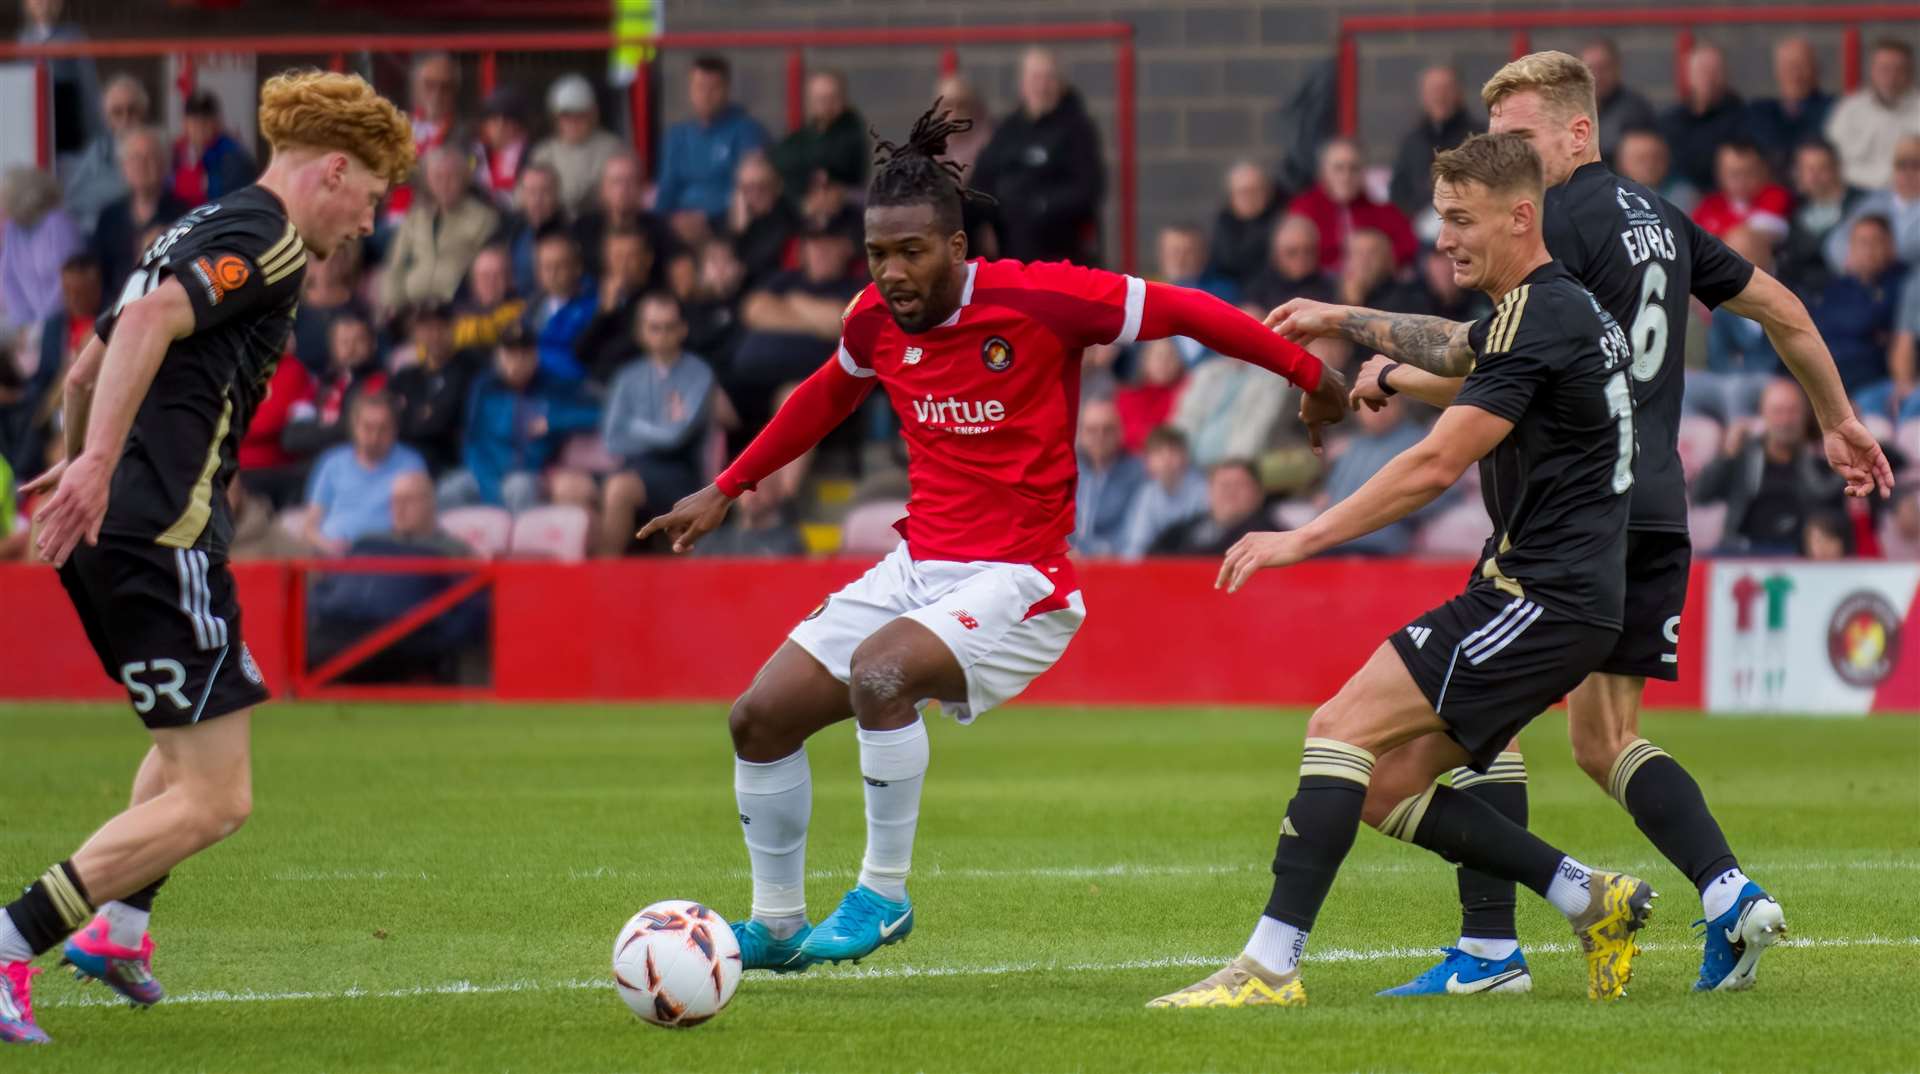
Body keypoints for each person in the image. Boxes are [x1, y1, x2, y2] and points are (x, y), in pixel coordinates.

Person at [636, 102, 1346, 976]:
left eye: (911, 253)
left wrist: (1311, 375)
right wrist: (725, 485)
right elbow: (826, 392)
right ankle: (777, 926)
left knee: (880, 675)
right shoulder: (873, 319)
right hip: (918, 566)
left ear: (958, 248)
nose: (891, 274)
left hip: (1022, 578)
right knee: (757, 719)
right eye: (877, 255)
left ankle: (883, 896)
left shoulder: (1044, 298)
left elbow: (1193, 311)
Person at [1270, 52, 1888, 997]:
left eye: (1520, 137)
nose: (1504, 157)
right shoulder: (1667, 222)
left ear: (1577, 131)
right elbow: (1786, 312)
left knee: (1477, 718)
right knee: (1600, 740)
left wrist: (1377, 356)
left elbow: (1507, 362)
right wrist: (1838, 417)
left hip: (1567, 509)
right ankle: (1725, 892)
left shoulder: (1555, 228)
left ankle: (1492, 948)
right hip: (1657, 508)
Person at [1156, 132, 1662, 1012]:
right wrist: (1351, 327)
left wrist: (1296, 537)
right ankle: (1590, 897)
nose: (1446, 241)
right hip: (1566, 597)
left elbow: (1434, 467)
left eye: (1463, 221)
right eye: (1440, 220)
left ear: (1520, 216)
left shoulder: (1539, 314)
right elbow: (1457, 348)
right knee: (1384, 786)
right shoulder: (1548, 307)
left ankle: (1269, 968)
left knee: (1339, 728)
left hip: (1539, 596)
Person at [0, 70, 410, 1045]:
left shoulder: (194, 225)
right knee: (218, 796)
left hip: (124, 531)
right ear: (336, 171)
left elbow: (86, 363)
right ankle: (14, 939)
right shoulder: (265, 237)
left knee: (190, 744)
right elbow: (141, 329)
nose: (367, 221)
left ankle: (120, 929)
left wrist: (72, 464)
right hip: (158, 535)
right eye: (372, 197)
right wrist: (94, 465)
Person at [596, 292, 716, 557]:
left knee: (618, 488)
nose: (662, 334)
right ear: (641, 332)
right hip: (635, 467)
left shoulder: (699, 374)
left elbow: (676, 437)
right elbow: (611, 439)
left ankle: (604, 582)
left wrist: (634, 426)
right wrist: (658, 427)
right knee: (579, 491)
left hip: (681, 471)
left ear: (682, 329)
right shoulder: (627, 377)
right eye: (654, 327)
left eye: (669, 327)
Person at [443, 323, 599, 512]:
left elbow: (597, 414)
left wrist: (553, 420)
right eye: (510, 354)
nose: (517, 362)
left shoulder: (553, 386)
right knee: (450, 489)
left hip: (528, 473)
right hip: (486, 474)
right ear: (498, 357)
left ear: (535, 356)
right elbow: (472, 442)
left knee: (519, 487)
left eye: (524, 354)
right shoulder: (484, 387)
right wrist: (491, 489)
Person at [972, 48, 1105, 264]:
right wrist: (987, 219)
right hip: (1007, 235)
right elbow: (982, 178)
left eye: (1049, 78)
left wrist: (1037, 206)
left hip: (1056, 242)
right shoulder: (1007, 129)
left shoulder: (1077, 129)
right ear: (1022, 84)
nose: (1041, 86)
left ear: (1060, 84)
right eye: (1035, 78)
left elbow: (1087, 188)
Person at [1695, 379, 1847, 554]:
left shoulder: (1820, 460)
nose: (1785, 420)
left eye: (1792, 411)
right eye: (1778, 411)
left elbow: (1836, 506)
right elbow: (1700, 494)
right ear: (1763, 415)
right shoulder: (1744, 457)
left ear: (1805, 416)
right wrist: (1727, 454)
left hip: (1799, 553)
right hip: (1744, 551)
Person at [299, 390, 427, 556]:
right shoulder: (331, 463)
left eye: (383, 429)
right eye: (368, 428)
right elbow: (310, 527)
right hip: (332, 559)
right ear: (354, 427)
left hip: (389, 557)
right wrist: (327, 545)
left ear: (395, 429)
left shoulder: (411, 464)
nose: (374, 437)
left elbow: (421, 526)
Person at [655, 55, 771, 238]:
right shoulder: (676, 135)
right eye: (699, 87)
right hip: (679, 225)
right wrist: (670, 219)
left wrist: (707, 218)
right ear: (690, 90)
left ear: (727, 90)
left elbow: (748, 190)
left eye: (713, 88)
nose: (706, 95)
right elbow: (666, 189)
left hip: (725, 225)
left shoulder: (747, 131)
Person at [380, 144, 500, 310]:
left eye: (452, 177)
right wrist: (393, 304)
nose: (445, 184)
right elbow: (395, 265)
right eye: (438, 177)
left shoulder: (483, 219)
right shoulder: (415, 217)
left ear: (464, 179)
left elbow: (483, 273)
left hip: (456, 307)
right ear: (428, 180)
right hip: (412, 307)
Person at [1313, 394, 1431, 556]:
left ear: (1401, 406)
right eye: (1369, 405)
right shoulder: (1353, 447)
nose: (1378, 411)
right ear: (1357, 410)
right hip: (1335, 542)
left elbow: (1438, 493)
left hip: (1383, 546)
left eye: (1386, 404)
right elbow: (1331, 495)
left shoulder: (1420, 442)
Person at [1814, 214, 1907, 415]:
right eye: (1861, 243)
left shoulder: (1903, 283)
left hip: (1878, 384)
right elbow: (1823, 331)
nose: (1868, 250)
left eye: (1875, 242)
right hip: (1831, 386)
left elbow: (1868, 322)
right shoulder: (1836, 288)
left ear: (1890, 247)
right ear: (1850, 250)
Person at [1691, 227, 1785, 422]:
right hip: (1731, 379)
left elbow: (1782, 357)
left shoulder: (1784, 297)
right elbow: (1718, 359)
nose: (1734, 263)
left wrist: (1744, 365)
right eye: (1729, 255)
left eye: (1744, 253)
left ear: (1765, 255)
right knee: (1687, 386)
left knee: (1737, 388)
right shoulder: (1721, 304)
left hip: (1776, 380)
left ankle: (1737, 444)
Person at [1287, 139, 1417, 273]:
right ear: (1323, 172)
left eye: (1353, 168)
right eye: (1339, 168)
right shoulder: (1303, 209)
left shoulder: (1382, 210)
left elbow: (1408, 247)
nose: (1346, 176)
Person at [90, 126, 189, 294]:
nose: (142, 165)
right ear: (124, 167)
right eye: (135, 158)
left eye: (150, 157)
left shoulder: (184, 216)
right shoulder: (108, 218)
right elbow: (98, 281)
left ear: (165, 165)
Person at [389, 302, 482, 474]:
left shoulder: (469, 369)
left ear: (452, 328)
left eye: (440, 327)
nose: (434, 335)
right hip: (408, 464)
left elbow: (443, 421)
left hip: (450, 464)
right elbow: (393, 423)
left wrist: (414, 416)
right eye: (426, 329)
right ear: (416, 333)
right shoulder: (405, 377)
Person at [1389, 66, 1481, 225]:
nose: (1440, 96)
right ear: (1422, 95)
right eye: (1433, 89)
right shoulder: (1411, 141)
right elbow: (1399, 193)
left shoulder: (1479, 138)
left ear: (1459, 93)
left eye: (1446, 89)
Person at [61, 74, 150, 237]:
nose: (125, 119)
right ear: (107, 118)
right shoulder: (97, 152)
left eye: (132, 110)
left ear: (143, 113)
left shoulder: (158, 148)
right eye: (117, 112)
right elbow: (73, 203)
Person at [1826, 39, 1920, 191]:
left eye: (1899, 70)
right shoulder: (1849, 109)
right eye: (1884, 69)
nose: (1891, 77)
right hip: (1853, 192)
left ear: (1911, 73)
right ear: (1872, 71)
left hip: (1910, 194)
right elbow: (1830, 159)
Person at [529, 74, 625, 217]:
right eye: (566, 115)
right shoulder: (543, 152)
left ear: (593, 114)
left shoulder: (613, 148)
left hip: (600, 224)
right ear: (555, 118)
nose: (573, 121)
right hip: (554, 226)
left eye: (580, 114)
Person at [1, 167, 82, 335]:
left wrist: (44, 323)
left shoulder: (58, 223)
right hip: (32, 324)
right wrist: (23, 323)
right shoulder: (13, 229)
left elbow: (69, 278)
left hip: (64, 320)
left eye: (5, 200)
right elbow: (8, 279)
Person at [1781, 139, 1866, 295]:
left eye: (1822, 168)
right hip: (1805, 297)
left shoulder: (1861, 203)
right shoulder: (1792, 209)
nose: (1815, 176)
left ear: (1836, 168)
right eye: (1808, 169)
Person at [1825, 135, 1920, 272]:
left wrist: (1871, 255)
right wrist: (1854, 260)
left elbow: (1911, 251)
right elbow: (1834, 242)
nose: (1908, 173)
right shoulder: (1874, 201)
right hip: (1862, 280)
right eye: (1901, 165)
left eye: (1916, 166)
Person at [1659, 43, 1746, 192]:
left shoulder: (1743, 118)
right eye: (1702, 70)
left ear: (1726, 75)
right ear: (1688, 75)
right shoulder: (1670, 121)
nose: (1708, 78)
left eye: (1714, 71)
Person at [576, 228, 659, 383]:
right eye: (617, 257)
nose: (624, 265)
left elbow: (626, 352)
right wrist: (605, 313)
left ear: (648, 259)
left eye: (631, 257)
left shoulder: (657, 301)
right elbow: (581, 352)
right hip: (596, 387)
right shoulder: (595, 297)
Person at [771, 69, 867, 195]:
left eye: (831, 98)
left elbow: (836, 164)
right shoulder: (804, 134)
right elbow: (780, 159)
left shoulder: (851, 131)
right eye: (820, 99)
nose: (826, 105)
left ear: (842, 99)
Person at [1144, 457, 1266, 556]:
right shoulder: (1181, 532)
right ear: (1209, 492)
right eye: (1224, 485)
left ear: (1258, 493)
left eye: (1239, 484)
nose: (1230, 492)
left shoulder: (1269, 536)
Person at [1118, 424, 1206, 559]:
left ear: (1186, 456)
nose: (1166, 459)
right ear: (1147, 462)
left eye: (1173, 451)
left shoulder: (1203, 490)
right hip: (1156, 569)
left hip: (1194, 563)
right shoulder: (1146, 494)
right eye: (1158, 452)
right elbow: (1136, 545)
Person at [1069, 397, 1142, 557]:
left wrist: (1088, 553)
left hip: (1114, 565)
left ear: (1120, 432)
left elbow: (1132, 533)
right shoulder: (1068, 470)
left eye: (1107, 429)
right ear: (1080, 433)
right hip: (1069, 562)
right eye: (1092, 430)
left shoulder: (1137, 474)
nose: (1099, 437)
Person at [1749, 38, 1834, 170]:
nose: (1795, 74)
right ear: (1776, 70)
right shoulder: (1757, 113)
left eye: (1801, 65)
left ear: (1816, 69)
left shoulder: (1835, 111)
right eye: (1788, 66)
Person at [523, 230, 597, 381]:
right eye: (546, 267)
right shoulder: (531, 307)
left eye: (560, 266)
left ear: (577, 268)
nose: (553, 273)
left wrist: (535, 359)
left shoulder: (595, 307)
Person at [170, 91, 257, 208]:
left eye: (205, 120)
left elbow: (230, 197)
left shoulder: (234, 155)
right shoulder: (177, 153)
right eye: (194, 120)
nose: (199, 126)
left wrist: (200, 184)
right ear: (185, 124)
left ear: (217, 122)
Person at [1693, 140, 1791, 241]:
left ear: (1763, 171)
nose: (1741, 181)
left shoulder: (1775, 196)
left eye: (1749, 173)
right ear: (1719, 174)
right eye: (1734, 174)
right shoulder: (1708, 206)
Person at [728, 152, 800, 289]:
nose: (755, 195)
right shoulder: (738, 217)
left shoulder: (786, 217)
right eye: (747, 188)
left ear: (777, 187)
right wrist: (737, 229)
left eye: (762, 187)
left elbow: (751, 267)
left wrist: (739, 233)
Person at [1207, 162, 1283, 289]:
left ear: (1268, 192)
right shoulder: (1220, 227)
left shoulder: (1282, 225)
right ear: (1231, 196)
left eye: (1256, 190)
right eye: (1243, 192)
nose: (1250, 197)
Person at [1581, 39, 1653, 164]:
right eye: (1590, 68)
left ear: (1617, 68)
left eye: (1603, 68)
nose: (1597, 75)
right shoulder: (1568, 108)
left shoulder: (1635, 108)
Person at [1245, 214, 1332, 313]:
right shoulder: (1258, 290)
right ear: (1276, 254)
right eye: (1292, 252)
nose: (1301, 259)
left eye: (1308, 251)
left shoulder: (1332, 287)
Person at [452, 245, 526, 353]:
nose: (491, 282)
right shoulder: (455, 316)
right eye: (484, 276)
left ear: (510, 279)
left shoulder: (524, 313)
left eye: (497, 275)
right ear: (473, 282)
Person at [693, 484, 803, 556]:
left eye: (762, 488)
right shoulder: (712, 541)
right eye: (746, 489)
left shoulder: (788, 541)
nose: (753, 496)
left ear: (774, 492)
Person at [1615, 126, 1697, 212]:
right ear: (1621, 163)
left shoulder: (1687, 197)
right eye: (1640, 159)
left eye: (1656, 157)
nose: (1650, 165)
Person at [474, 86, 531, 209]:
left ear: (520, 125)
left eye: (507, 119)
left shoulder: (531, 155)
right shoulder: (473, 154)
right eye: (494, 119)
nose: (500, 125)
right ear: (485, 124)